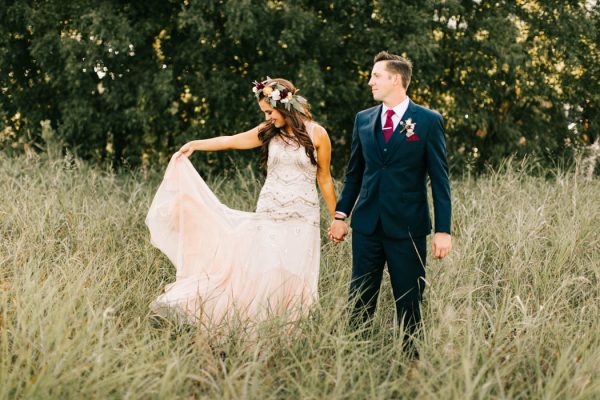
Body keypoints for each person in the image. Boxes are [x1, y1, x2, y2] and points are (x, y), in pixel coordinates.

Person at [145, 78, 336, 327]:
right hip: (269, 214)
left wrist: (337, 217)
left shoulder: (317, 133)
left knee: (294, 275)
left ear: (285, 105)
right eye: (265, 113)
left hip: (302, 217)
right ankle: (252, 327)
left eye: (270, 112)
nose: (268, 118)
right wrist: (194, 145)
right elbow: (230, 140)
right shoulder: (269, 132)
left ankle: (284, 332)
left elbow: (324, 178)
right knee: (264, 272)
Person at [328, 51, 452, 356]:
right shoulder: (363, 119)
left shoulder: (428, 120)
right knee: (359, 298)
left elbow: (440, 180)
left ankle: (411, 365)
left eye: (376, 76)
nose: (370, 82)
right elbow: (354, 173)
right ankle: (354, 358)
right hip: (367, 225)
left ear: (396, 80)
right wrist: (340, 215)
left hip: (408, 228)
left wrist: (443, 230)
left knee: (409, 300)